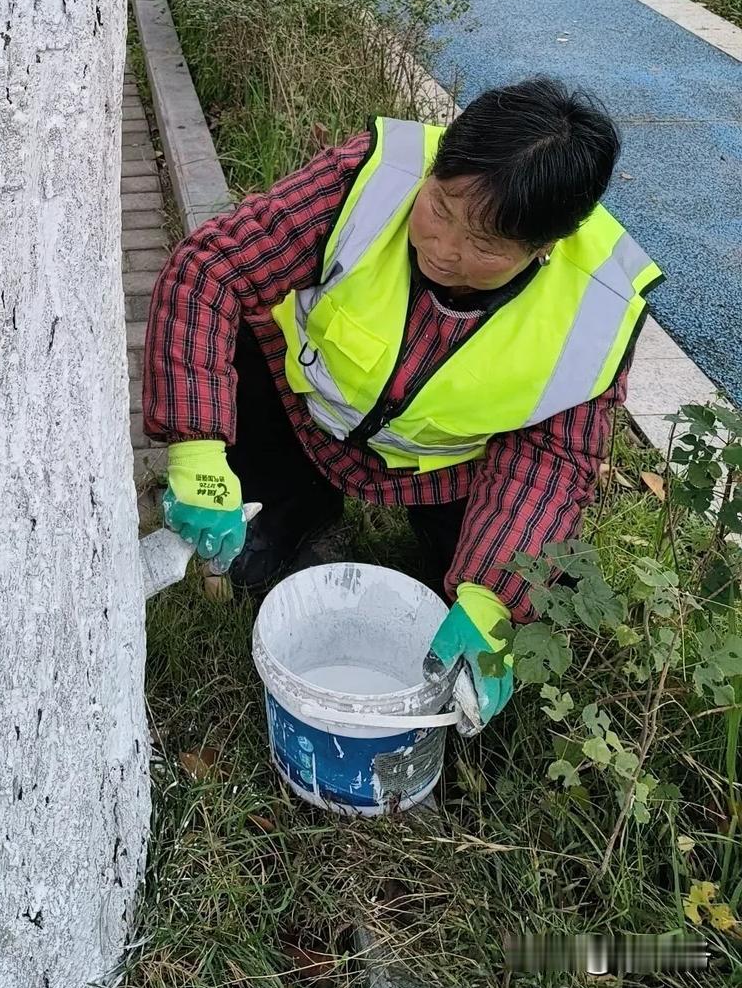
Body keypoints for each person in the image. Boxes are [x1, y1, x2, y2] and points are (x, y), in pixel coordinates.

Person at [147, 78, 660, 732]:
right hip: (307, 414)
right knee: (242, 358)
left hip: (446, 470)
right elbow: (213, 268)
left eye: (485, 245)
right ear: (438, 164)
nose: (445, 250)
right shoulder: (371, 181)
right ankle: (290, 505)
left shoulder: (595, 310)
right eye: (440, 207)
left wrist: (490, 599)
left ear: (544, 247)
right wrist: (196, 449)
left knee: (517, 588)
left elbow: (553, 461)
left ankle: (461, 580)